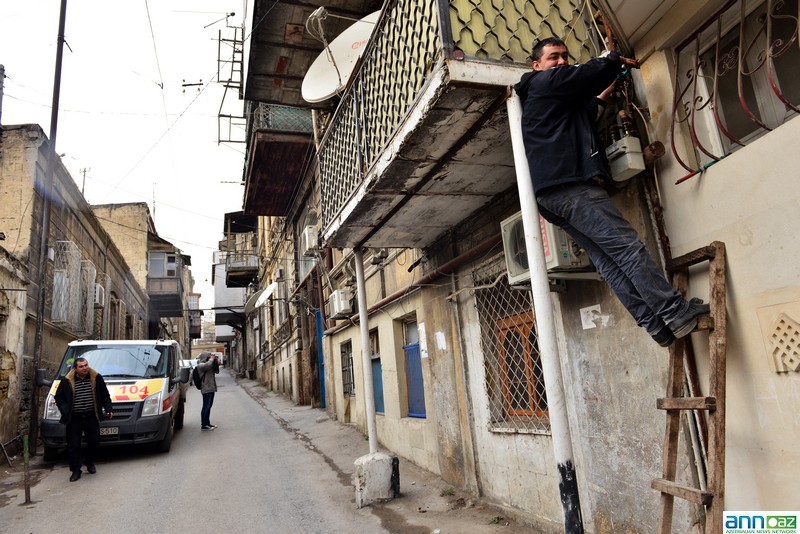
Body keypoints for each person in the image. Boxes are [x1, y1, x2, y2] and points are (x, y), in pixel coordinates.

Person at [514, 37, 709, 346]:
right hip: (572, 187)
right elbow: (590, 72)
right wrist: (611, 57)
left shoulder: (550, 98)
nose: (562, 61)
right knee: (627, 249)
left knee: (609, 261)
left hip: (554, 194)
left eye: (566, 55)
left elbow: (586, 111)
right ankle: (675, 313)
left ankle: (656, 326)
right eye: (554, 57)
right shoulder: (543, 82)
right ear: (537, 65)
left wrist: (605, 92)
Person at [55, 357, 113, 482]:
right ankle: (76, 470)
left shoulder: (96, 378)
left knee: (94, 441)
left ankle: (89, 462)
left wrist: (108, 408)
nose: (85, 368)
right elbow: (58, 397)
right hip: (74, 417)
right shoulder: (67, 381)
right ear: (75, 369)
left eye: (86, 365)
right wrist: (65, 410)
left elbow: (104, 395)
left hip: (91, 416)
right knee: (73, 445)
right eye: (81, 366)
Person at [196, 352, 220, 430]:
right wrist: (212, 358)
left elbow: (217, 369)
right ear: (205, 357)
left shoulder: (209, 364)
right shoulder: (201, 365)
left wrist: (215, 360)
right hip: (206, 388)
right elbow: (208, 365)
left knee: (209, 406)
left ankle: (208, 424)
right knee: (206, 407)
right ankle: (204, 425)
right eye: (208, 357)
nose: (210, 358)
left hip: (211, 388)